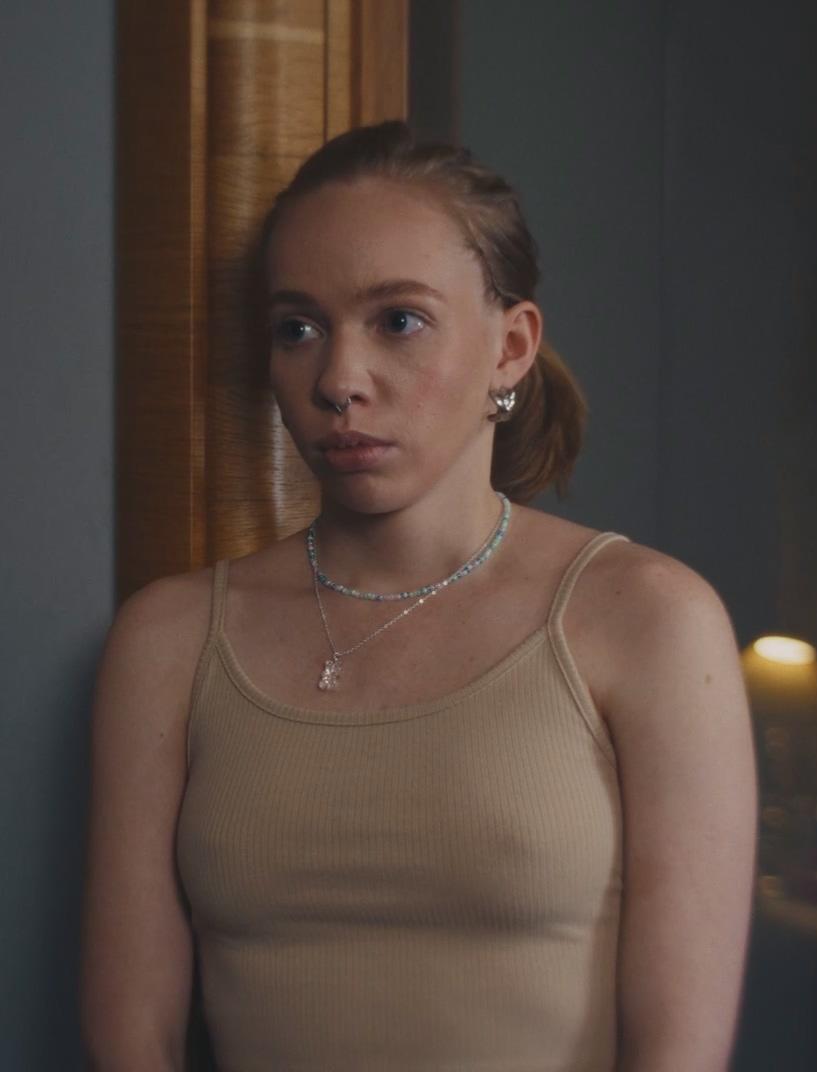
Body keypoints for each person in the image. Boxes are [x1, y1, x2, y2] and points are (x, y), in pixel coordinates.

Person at [81, 120, 757, 1071]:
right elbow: (131, 1041)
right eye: (298, 329)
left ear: (511, 347)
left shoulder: (647, 619)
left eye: (398, 321)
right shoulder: (170, 638)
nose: (338, 380)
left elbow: (677, 1055)